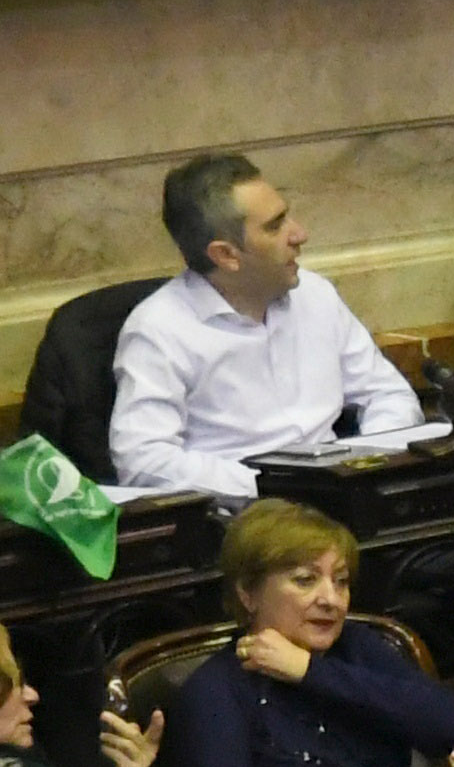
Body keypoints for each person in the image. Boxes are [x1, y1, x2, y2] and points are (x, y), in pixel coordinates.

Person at [108, 152, 423, 505]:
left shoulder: (314, 294)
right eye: (275, 226)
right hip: (247, 523)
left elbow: (387, 393)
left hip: (346, 498)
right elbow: (143, 460)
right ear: (226, 255)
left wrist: (365, 461)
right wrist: (266, 486)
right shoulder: (159, 330)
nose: (300, 234)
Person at [163, 500, 454, 767]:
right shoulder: (216, 690)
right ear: (248, 594)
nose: (330, 599)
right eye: (306, 580)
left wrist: (309, 671)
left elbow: (444, 727)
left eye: (341, 581)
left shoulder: (357, 646)